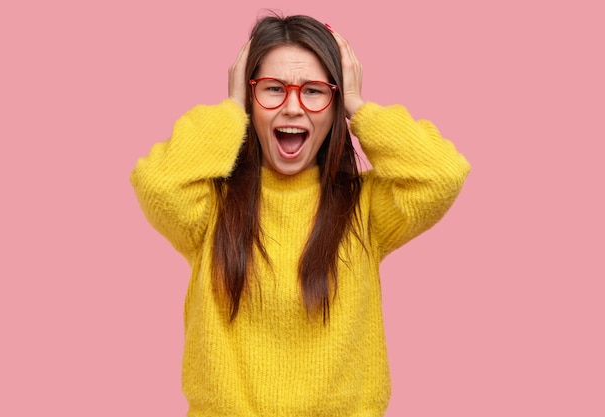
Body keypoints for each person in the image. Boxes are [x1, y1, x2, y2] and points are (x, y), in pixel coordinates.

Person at [131, 13, 470, 417]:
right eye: (273, 89)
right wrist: (229, 109)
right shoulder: (209, 208)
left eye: (314, 92)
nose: (293, 108)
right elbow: (157, 183)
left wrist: (359, 106)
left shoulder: (364, 208)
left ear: (335, 104)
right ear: (249, 97)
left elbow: (442, 173)